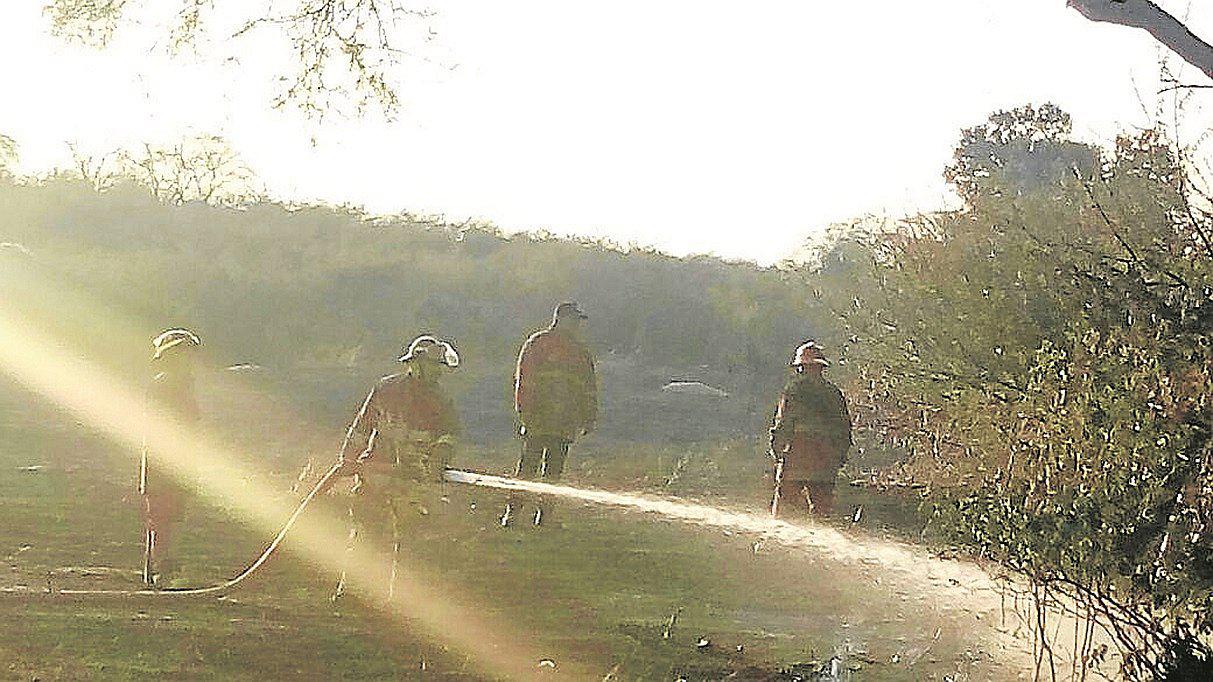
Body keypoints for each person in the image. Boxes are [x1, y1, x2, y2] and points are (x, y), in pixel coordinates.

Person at [330, 335, 460, 601]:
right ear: (416, 363)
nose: (438, 372)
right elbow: (362, 427)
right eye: (434, 366)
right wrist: (349, 458)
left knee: (410, 544)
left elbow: (449, 436)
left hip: (412, 480)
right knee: (366, 535)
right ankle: (351, 593)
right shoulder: (385, 390)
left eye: (440, 367)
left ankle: (399, 600)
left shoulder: (442, 401)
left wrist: (438, 460)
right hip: (375, 476)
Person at [501, 302, 597, 527]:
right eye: (574, 320)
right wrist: (524, 411)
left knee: (554, 471)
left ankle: (545, 516)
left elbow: (588, 387)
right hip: (539, 418)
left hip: (565, 422)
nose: (576, 326)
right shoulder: (538, 344)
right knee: (528, 468)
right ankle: (513, 513)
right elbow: (524, 379)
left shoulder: (581, 353)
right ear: (560, 319)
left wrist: (589, 417)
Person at [141, 327, 202, 587]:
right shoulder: (164, 386)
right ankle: (161, 570)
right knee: (162, 518)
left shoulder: (180, 387)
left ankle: (162, 567)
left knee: (172, 517)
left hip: (177, 463)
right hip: (164, 464)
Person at [768, 341, 851, 518]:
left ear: (801, 367)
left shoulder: (794, 390)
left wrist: (777, 451)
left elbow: (784, 424)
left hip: (797, 456)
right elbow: (844, 429)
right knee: (822, 514)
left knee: (785, 511)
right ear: (821, 368)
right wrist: (839, 457)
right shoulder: (834, 393)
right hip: (825, 461)